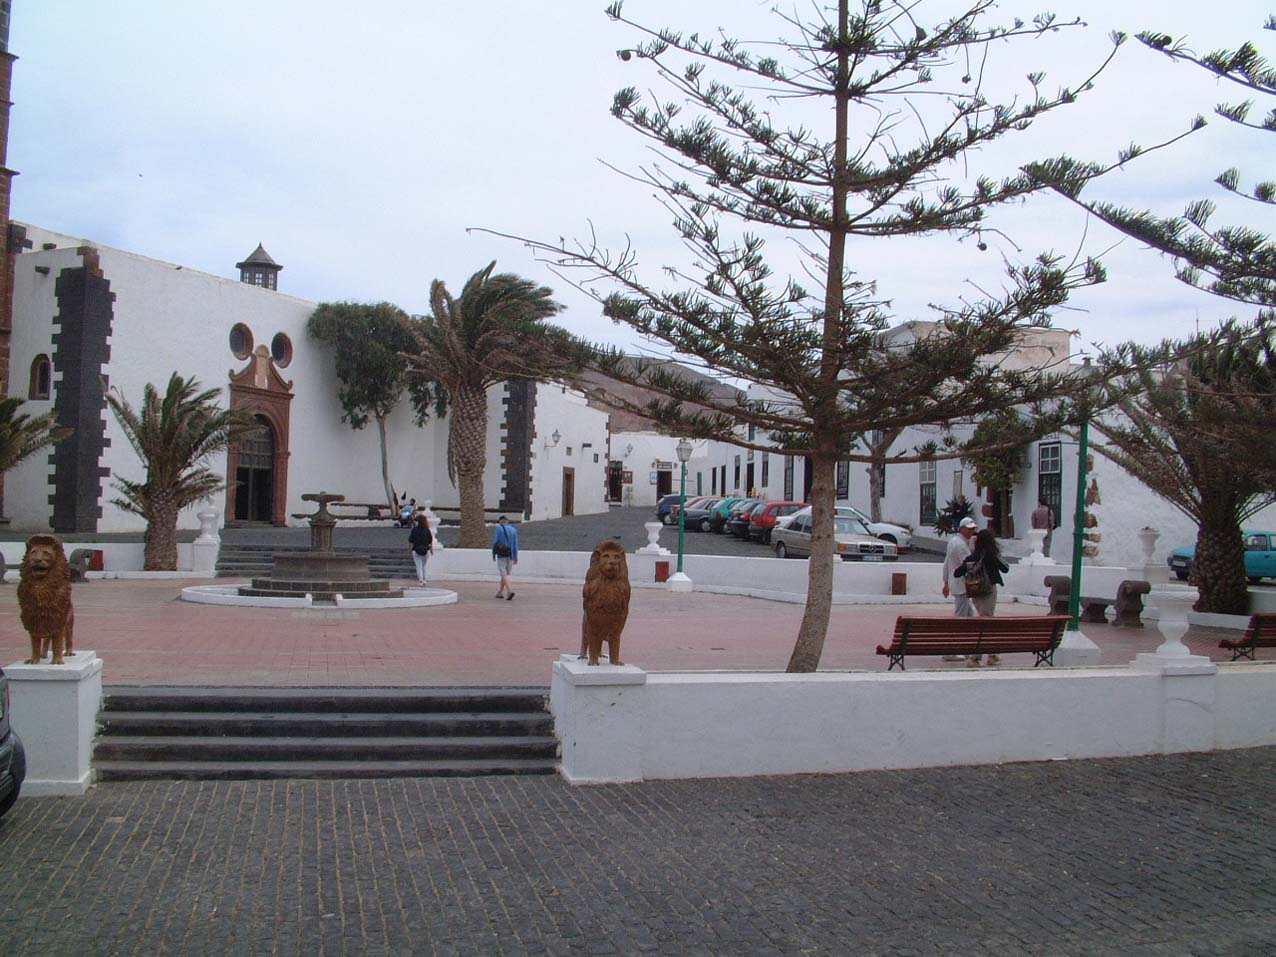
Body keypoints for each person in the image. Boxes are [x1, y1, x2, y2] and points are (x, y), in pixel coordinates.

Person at [954, 527, 1010, 667]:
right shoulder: (991, 555)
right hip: (988, 591)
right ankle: (976, 657)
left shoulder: (972, 557)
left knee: (985, 621)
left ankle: (992, 654)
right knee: (986, 623)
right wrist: (996, 554)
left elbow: (957, 573)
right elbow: (1005, 568)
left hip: (975, 592)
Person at [941, 516, 978, 661]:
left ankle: (967, 647)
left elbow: (947, 563)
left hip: (956, 584)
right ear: (962, 529)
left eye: (972, 529)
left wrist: (945, 582)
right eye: (969, 529)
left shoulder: (953, 542)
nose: (971, 532)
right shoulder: (961, 545)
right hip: (962, 585)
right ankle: (950, 650)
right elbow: (968, 565)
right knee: (960, 618)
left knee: (970, 616)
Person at [491, 515, 519, 600]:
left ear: (500, 521)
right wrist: (515, 557)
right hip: (510, 555)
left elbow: (495, 542)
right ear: (507, 521)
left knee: (503, 573)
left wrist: (493, 554)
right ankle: (500, 592)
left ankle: (510, 591)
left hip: (501, 554)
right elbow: (515, 544)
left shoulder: (499, 529)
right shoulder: (513, 530)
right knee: (505, 574)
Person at [407, 511, 434, 585]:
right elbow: (430, 541)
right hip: (426, 550)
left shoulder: (414, 530)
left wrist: (409, 549)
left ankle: (421, 580)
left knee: (418, 565)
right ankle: (424, 579)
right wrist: (431, 549)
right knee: (424, 565)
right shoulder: (427, 530)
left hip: (416, 549)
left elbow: (411, 540)